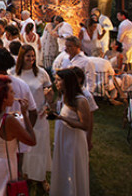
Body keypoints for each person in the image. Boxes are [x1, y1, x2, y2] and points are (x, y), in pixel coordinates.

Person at [0, 75, 36, 196]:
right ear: (3, 97)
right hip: (3, 164)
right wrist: (25, 113)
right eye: (12, 92)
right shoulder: (8, 121)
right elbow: (32, 140)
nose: (14, 94)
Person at [14, 44, 52, 191]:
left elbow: (49, 95)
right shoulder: (14, 73)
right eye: (28, 56)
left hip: (39, 116)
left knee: (39, 148)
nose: (31, 59)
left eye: (33, 56)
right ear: (21, 57)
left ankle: (41, 177)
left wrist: (48, 101)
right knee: (24, 148)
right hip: (21, 116)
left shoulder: (42, 73)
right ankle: (26, 174)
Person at [50, 68, 91, 196]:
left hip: (73, 140)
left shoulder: (80, 100)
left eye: (58, 80)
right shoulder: (64, 96)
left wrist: (62, 118)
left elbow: (85, 125)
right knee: (62, 167)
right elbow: (56, 111)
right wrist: (49, 99)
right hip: (62, 138)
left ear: (67, 81)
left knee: (71, 167)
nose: (55, 82)